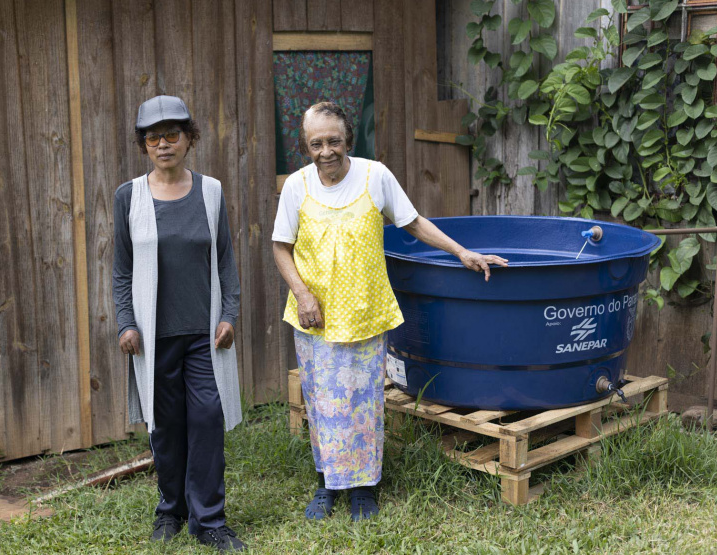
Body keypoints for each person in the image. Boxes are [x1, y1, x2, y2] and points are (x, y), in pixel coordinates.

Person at [272, 101, 508, 521]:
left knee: (364, 401)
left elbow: (413, 222)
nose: (326, 151)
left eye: (334, 141)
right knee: (323, 400)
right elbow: (280, 247)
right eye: (316, 143)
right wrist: (302, 294)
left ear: (349, 139)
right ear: (306, 146)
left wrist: (461, 252)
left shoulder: (374, 176)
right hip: (315, 315)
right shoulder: (297, 185)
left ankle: (364, 487)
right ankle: (327, 484)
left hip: (365, 309)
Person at [113, 95, 245, 552]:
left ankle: (210, 520)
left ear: (190, 138)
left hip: (203, 336)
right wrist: (126, 323)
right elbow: (122, 269)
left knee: (207, 418)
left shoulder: (211, 191)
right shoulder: (128, 197)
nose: (163, 143)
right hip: (153, 337)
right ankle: (171, 510)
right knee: (165, 426)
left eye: (173, 134)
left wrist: (229, 313)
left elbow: (225, 259)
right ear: (143, 144)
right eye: (153, 137)